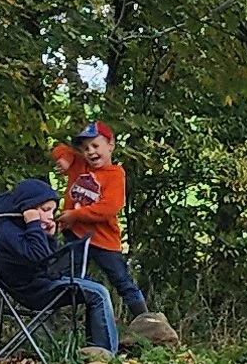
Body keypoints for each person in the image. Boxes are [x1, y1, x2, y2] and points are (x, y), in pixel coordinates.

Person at [50, 119, 180, 347]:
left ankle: (148, 325)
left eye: (96, 145)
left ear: (110, 145)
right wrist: (65, 158)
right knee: (61, 276)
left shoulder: (115, 174)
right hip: (76, 237)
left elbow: (108, 208)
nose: (91, 152)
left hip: (103, 240)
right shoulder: (79, 164)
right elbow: (59, 148)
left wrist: (74, 215)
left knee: (122, 281)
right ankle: (53, 324)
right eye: (86, 147)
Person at [0, 179, 120, 350]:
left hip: (39, 283)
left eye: (53, 210)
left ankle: (96, 349)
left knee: (94, 290)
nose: (50, 216)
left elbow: (47, 259)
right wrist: (34, 224)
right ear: (28, 209)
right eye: (45, 210)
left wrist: (48, 236)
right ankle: (106, 354)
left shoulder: (18, 228)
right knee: (99, 293)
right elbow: (38, 257)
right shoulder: (8, 232)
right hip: (33, 290)